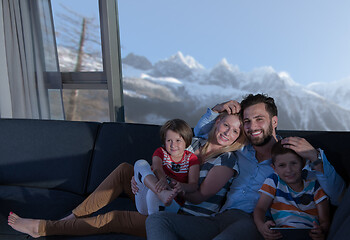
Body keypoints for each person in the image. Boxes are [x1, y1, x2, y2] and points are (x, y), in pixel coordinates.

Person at [8, 112, 246, 239]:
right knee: (126, 169)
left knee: (114, 218)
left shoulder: (227, 160)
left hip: (183, 216)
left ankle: (43, 228)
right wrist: (143, 180)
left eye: (236, 131)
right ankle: (70, 216)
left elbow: (199, 196)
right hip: (161, 198)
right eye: (226, 125)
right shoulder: (193, 143)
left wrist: (164, 186)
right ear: (217, 124)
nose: (229, 132)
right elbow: (159, 164)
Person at [146, 93, 345, 240]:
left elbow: (338, 197)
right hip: (219, 218)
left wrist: (316, 157)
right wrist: (216, 110)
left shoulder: (291, 156)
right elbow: (199, 135)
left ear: (274, 121)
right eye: (247, 121)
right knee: (156, 220)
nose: (252, 126)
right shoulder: (239, 149)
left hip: (254, 222)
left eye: (259, 119)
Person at [254, 141, 330, 240]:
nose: (288, 170)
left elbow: (325, 220)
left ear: (302, 164)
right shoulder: (274, 181)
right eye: (282, 165)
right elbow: (260, 208)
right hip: (281, 235)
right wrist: (261, 227)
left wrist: (321, 230)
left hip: (309, 235)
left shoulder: (315, 186)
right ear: (274, 168)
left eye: (294, 163)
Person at [134, 119, 200, 215]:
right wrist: (163, 181)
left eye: (178, 140)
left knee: (154, 192)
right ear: (164, 141)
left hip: (172, 204)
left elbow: (193, 186)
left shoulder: (191, 158)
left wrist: (182, 186)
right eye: (169, 140)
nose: (173, 145)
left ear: (186, 140)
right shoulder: (160, 152)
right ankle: (162, 193)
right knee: (140, 163)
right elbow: (157, 168)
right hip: (144, 203)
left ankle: (153, 221)